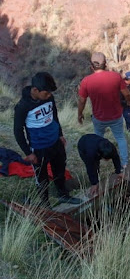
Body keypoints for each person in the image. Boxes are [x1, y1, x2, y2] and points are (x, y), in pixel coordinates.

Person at [13, 72, 81, 207]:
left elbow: (54, 115)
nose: (49, 95)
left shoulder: (49, 98)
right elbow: (17, 131)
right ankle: (46, 204)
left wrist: (60, 134)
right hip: (39, 147)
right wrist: (28, 153)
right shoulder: (23, 107)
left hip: (55, 142)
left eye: (50, 93)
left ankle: (63, 195)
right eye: (46, 93)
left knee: (60, 170)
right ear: (35, 90)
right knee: (42, 177)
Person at [77, 52, 130, 172]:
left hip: (99, 118)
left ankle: (96, 166)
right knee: (120, 138)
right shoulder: (116, 77)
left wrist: (79, 114)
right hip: (116, 116)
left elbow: (82, 101)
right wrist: (129, 102)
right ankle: (124, 164)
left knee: (98, 139)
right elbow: (126, 93)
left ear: (91, 66)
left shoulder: (86, 81)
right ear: (105, 64)